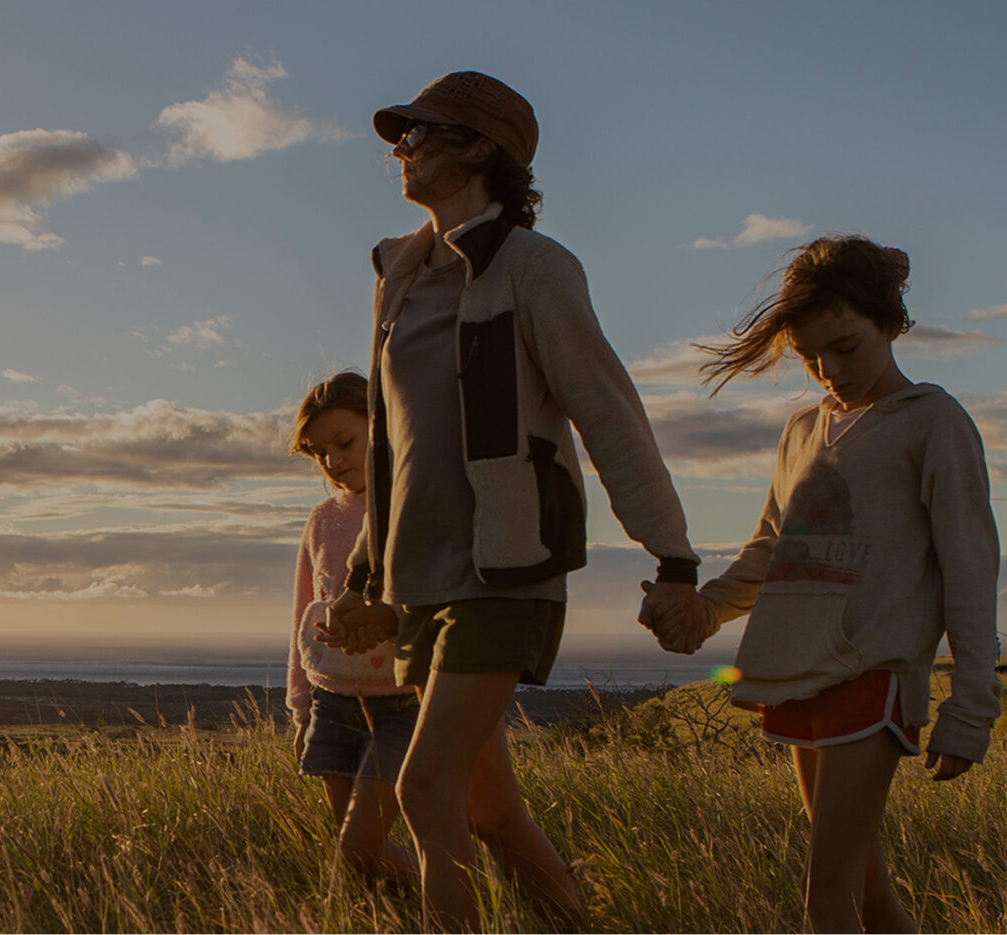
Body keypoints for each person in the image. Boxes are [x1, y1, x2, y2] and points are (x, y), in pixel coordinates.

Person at [320, 70, 708, 930]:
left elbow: (610, 413)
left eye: (420, 134)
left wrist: (673, 557)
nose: (402, 151)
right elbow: (390, 445)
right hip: (422, 583)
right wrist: (361, 574)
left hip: (507, 572)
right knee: (490, 811)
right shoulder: (400, 275)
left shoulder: (535, 268)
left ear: (479, 149)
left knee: (425, 788)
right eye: (402, 135)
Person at [675, 235, 1000, 933]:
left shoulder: (933, 421)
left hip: (872, 674)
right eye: (810, 354)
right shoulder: (801, 428)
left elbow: (970, 567)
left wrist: (972, 707)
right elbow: (769, 549)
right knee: (869, 900)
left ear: (890, 322)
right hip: (798, 673)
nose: (828, 370)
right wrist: (702, 612)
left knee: (828, 903)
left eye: (846, 347)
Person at [285, 371, 421, 890]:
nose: (333, 460)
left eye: (344, 442)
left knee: (357, 846)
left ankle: (475, 896)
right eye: (320, 452)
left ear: (381, 426)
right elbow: (304, 613)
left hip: (404, 702)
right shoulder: (321, 519)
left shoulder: (413, 501)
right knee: (361, 861)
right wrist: (301, 708)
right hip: (333, 703)